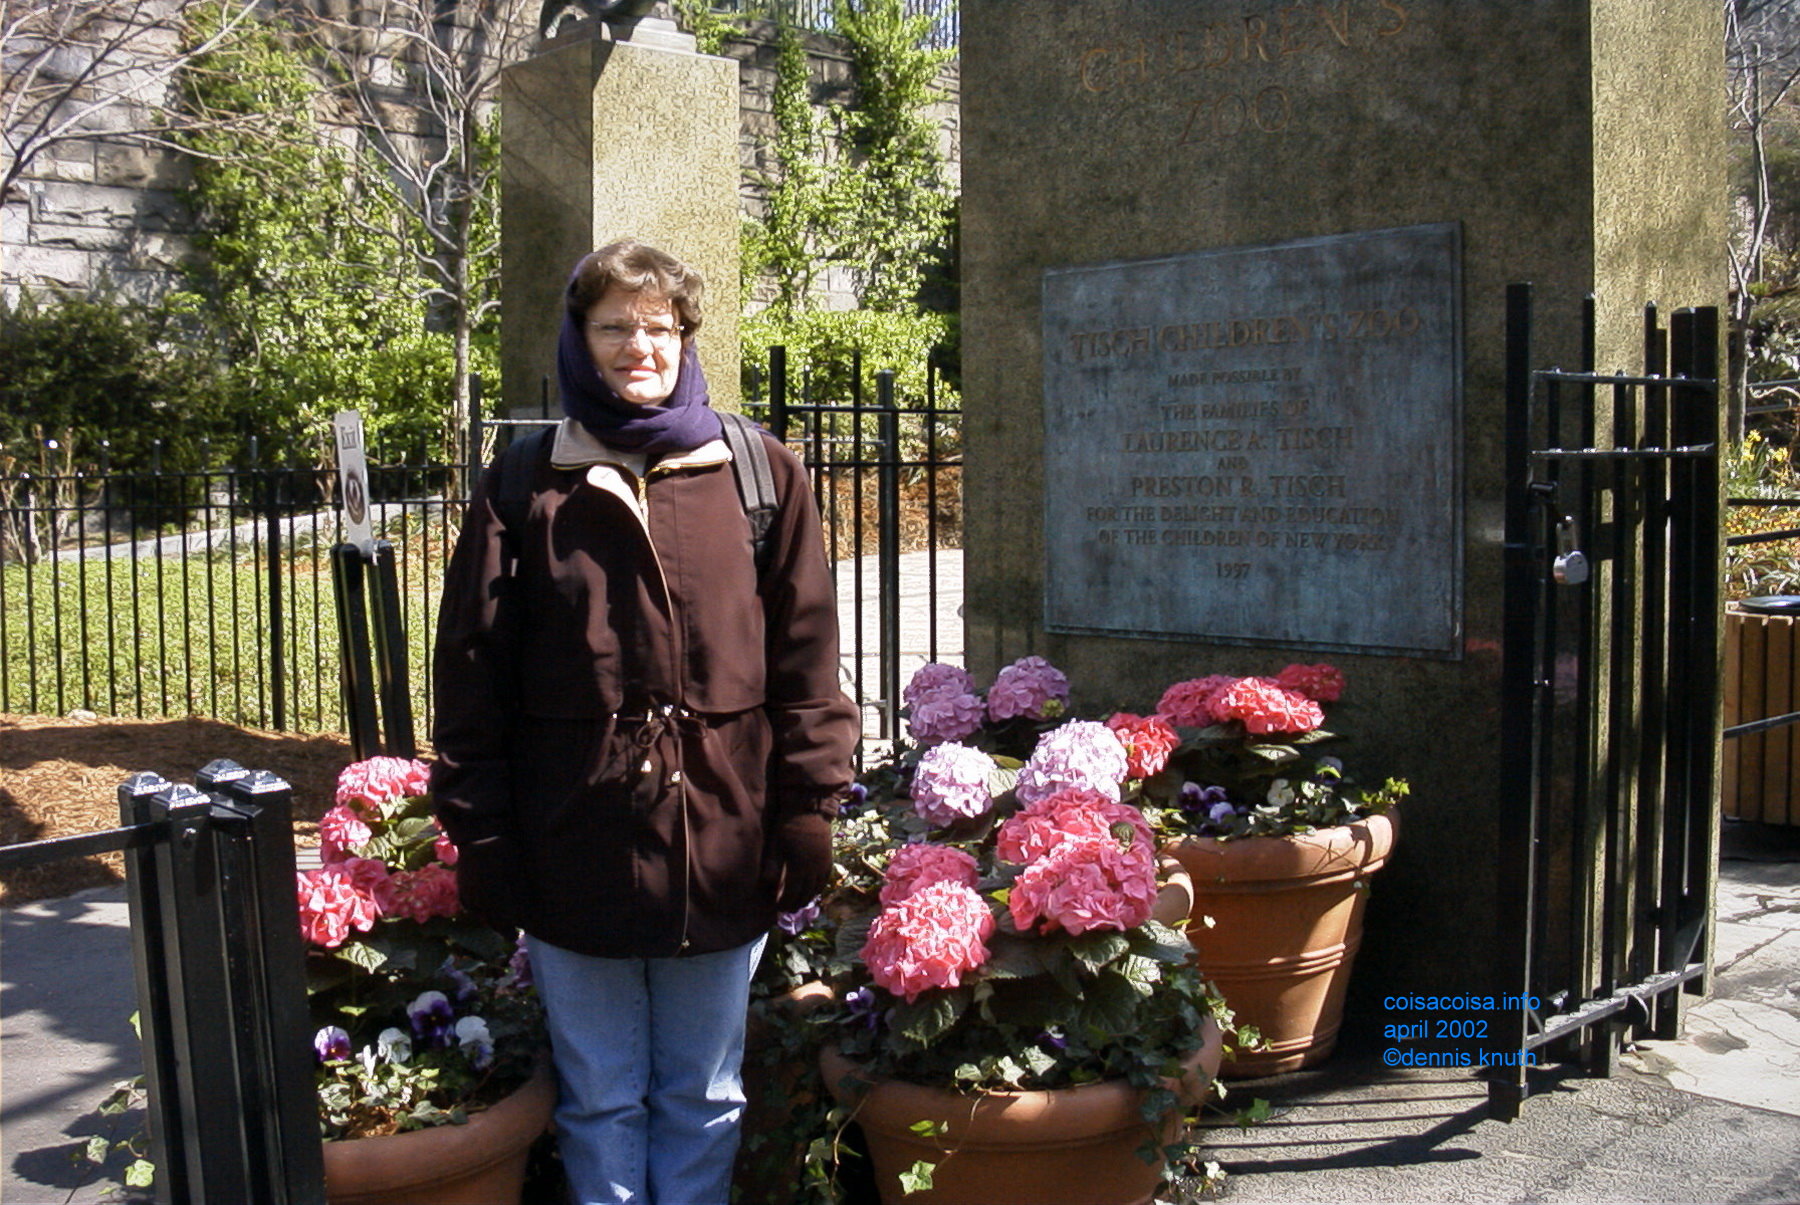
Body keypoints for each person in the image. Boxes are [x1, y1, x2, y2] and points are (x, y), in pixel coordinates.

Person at [430, 239, 859, 1205]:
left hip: (722, 839)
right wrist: (484, 829)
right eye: (616, 325)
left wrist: (807, 806)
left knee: (704, 1092)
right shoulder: (524, 485)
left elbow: (807, 656)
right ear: (579, 339)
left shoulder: (759, 474)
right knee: (599, 1097)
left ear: (686, 337)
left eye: (660, 326)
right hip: (571, 840)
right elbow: (470, 673)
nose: (640, 346)